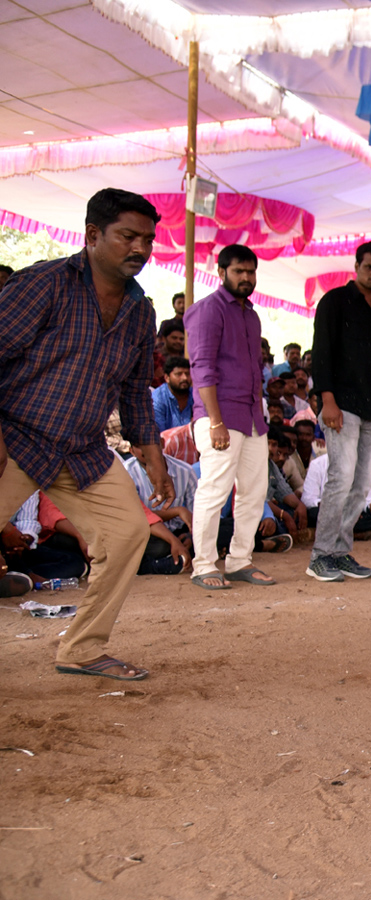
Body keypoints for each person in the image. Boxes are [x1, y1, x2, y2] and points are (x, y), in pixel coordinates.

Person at [0, 188, 170, 681]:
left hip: (80, 450)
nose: (140, 247)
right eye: (127, 236)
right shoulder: (45, 284)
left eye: (148, 239)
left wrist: (151, 450)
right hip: (16, 439)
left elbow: (136, 389)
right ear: (93, 235)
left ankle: (82, 648)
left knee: (127, 532)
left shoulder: (141, 310)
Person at [308, 240, 371, 582]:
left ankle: (340, 550)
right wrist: (327, 400)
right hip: (340, 404)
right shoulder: (334, 302)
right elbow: (321, 353)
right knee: (341, 475)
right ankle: (321, 554)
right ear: (357, 265)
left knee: (363, 481)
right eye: (369, 267)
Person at [184, 244, 277, 586]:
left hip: (253, 416)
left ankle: (239, 560)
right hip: (219, 417)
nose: (246, 278)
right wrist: (215, 422)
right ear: (221, 272)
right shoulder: (207, 310)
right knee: (214, 491)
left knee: (254, 491)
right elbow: (203, 369)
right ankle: (204, 565)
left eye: (251, 272)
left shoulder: (251, 315)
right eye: (239, 271)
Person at [151, 356, 193, 432]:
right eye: (178, 374)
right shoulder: (158, 398)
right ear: (167, 378)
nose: (184, 378)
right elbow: (159, 434)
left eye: (187, 374)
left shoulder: (196, 396)